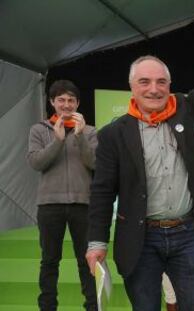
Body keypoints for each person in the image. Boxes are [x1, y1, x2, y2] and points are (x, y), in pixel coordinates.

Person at [85, 23, 194, 311]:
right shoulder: (112, 134)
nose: (154, 90)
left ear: (169, 85)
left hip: (186, 234)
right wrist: (96, 242)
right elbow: (102, 192)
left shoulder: (185, 108)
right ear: (132, 86)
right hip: (140, 240)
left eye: (161, 82)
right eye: (144, 82)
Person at [27, 80, 98, 311]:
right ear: (52, 103)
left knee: (86, 261)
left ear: (77, 103)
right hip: (49, 205)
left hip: (83, 204)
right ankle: (47, 307)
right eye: (61, 100)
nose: (66, 105)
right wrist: (57, 140)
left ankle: (92, 306)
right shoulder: (39, 129)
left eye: (71, 100)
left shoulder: (89, 131)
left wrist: (78, 137)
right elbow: (36, 162)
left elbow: (94, 162)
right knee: (49, 260)